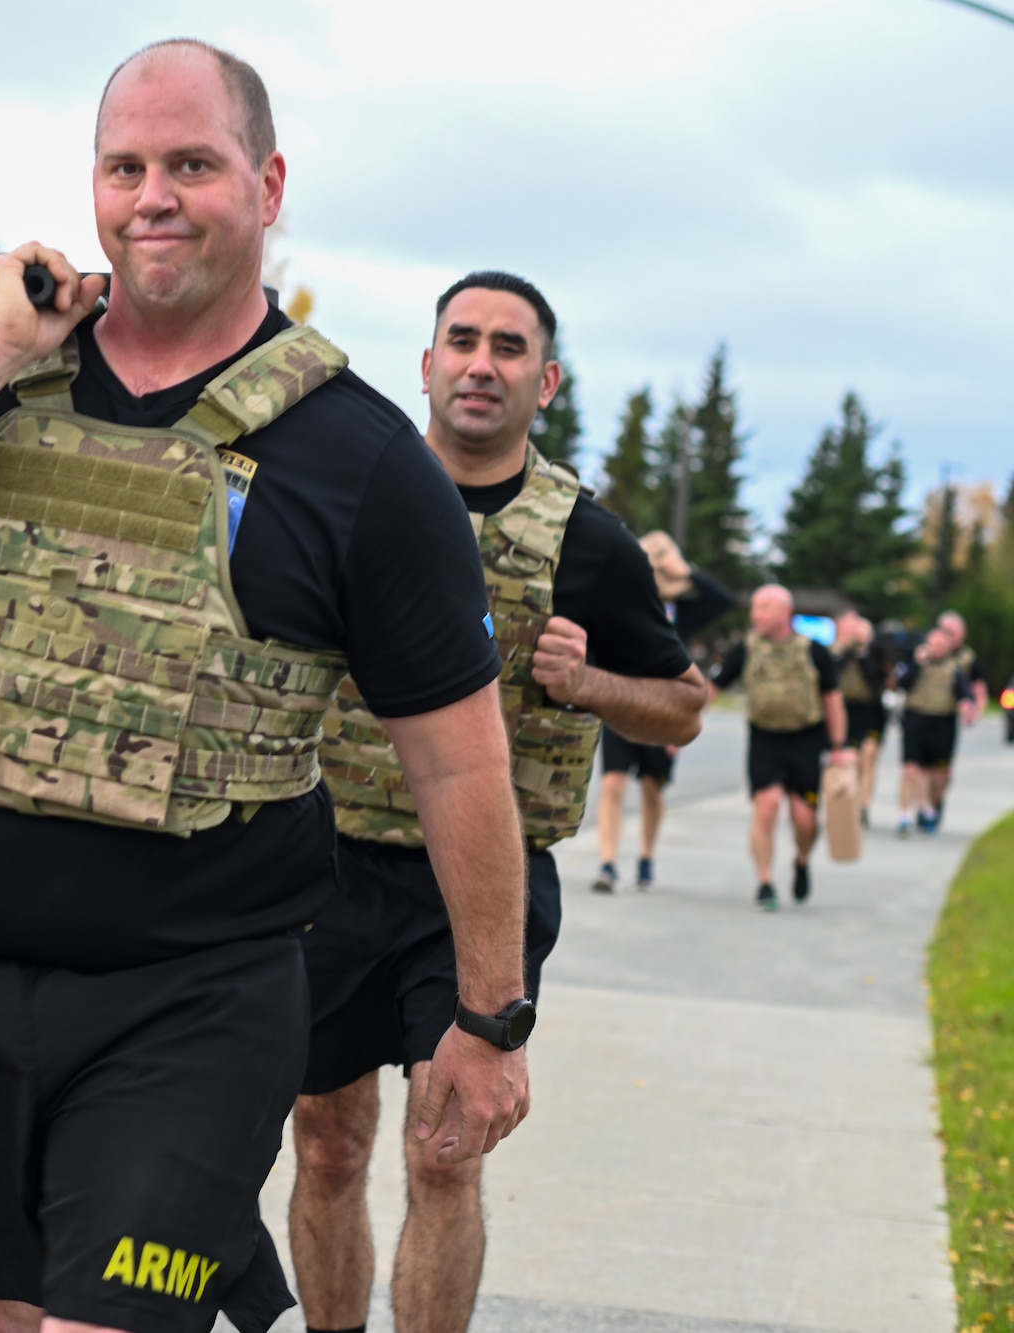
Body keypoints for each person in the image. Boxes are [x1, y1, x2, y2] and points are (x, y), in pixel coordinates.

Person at [0, 40, 532, 1333]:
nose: (153, 197)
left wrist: (490, 1013)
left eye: (193, 163)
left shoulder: (358, 457)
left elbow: (459, 759)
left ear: (269, 182)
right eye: (123, 167)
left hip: (195, 999)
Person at [291, 273, 707, 1333]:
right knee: (327, 1143)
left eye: (508, 347)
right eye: (460, 341)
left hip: (476, 888)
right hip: (326, 868)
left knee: (445, 1156)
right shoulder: (347, 500)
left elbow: (682, 708)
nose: (481, 363)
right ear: (425, 365)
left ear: (545, 380)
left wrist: (593, 685)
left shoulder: (585, 540)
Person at [592, 530, 732, 891]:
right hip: (621, 702)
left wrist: (685, 570)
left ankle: (646, 859)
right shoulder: (626, 601)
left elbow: (723, 600)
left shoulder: (683, 612)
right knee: (612, 784)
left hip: (664, 708)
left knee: (653, 789)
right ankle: (607, 863)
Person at [706, 586, 853, 908]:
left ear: (785, 613)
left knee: (805, 820)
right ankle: (765, 882)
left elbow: (832, 700)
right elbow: (712, 688)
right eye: (755, 608)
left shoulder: (814, 651)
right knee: (767, 805)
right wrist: (681, 725)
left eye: (765, 608)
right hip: (764, 738)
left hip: (805, 740)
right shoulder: (745, 648)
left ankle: (801, 859)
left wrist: (839, 746)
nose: (756, 614)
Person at [894, 622, 974, 836]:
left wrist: (967, 705)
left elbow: (965, 692)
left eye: (941, 645)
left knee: (937, 774)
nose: (936, 648)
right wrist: (917, 664)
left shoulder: (954, 668)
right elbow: (901, 683)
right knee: (911, 768)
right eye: (933, 644)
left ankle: (928, 807)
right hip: (915, 719)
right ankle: (905, 815)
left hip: (942, 723)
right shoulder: (915, 663)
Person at [830, 610, 891, 824]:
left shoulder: (876, 654)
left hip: (871, 711)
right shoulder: (836, 652)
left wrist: (864, 653)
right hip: (846, 709)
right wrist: (848, 649)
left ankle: (864, 804)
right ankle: (847, 803)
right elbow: (831, 675)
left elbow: (876, 680)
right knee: (849, 760)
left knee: (868, 756)